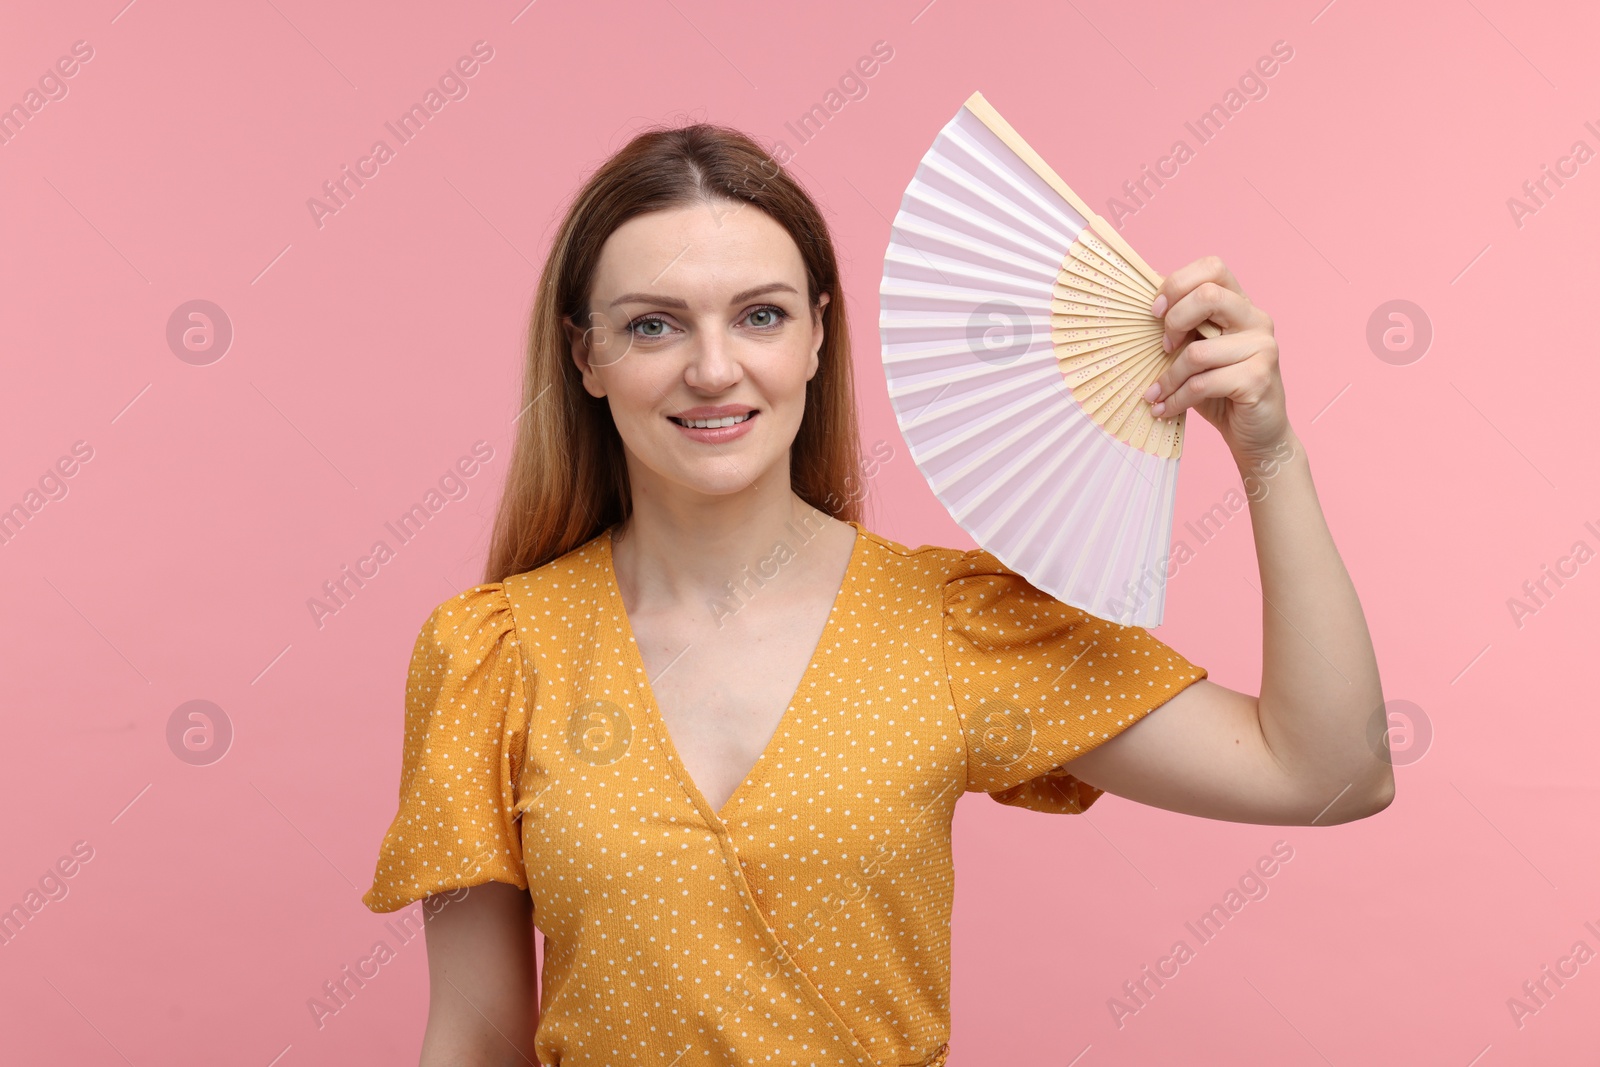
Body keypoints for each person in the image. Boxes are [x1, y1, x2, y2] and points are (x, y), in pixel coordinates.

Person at [360, 120, 1392, 1066]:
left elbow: (1329, 770)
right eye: (653, 326)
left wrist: (1269, 451)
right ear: (586, 356)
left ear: (815, 334)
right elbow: (476, 1034)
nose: (713, 369)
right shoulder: (489, 652)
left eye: (757, 315)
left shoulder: (948, 622)